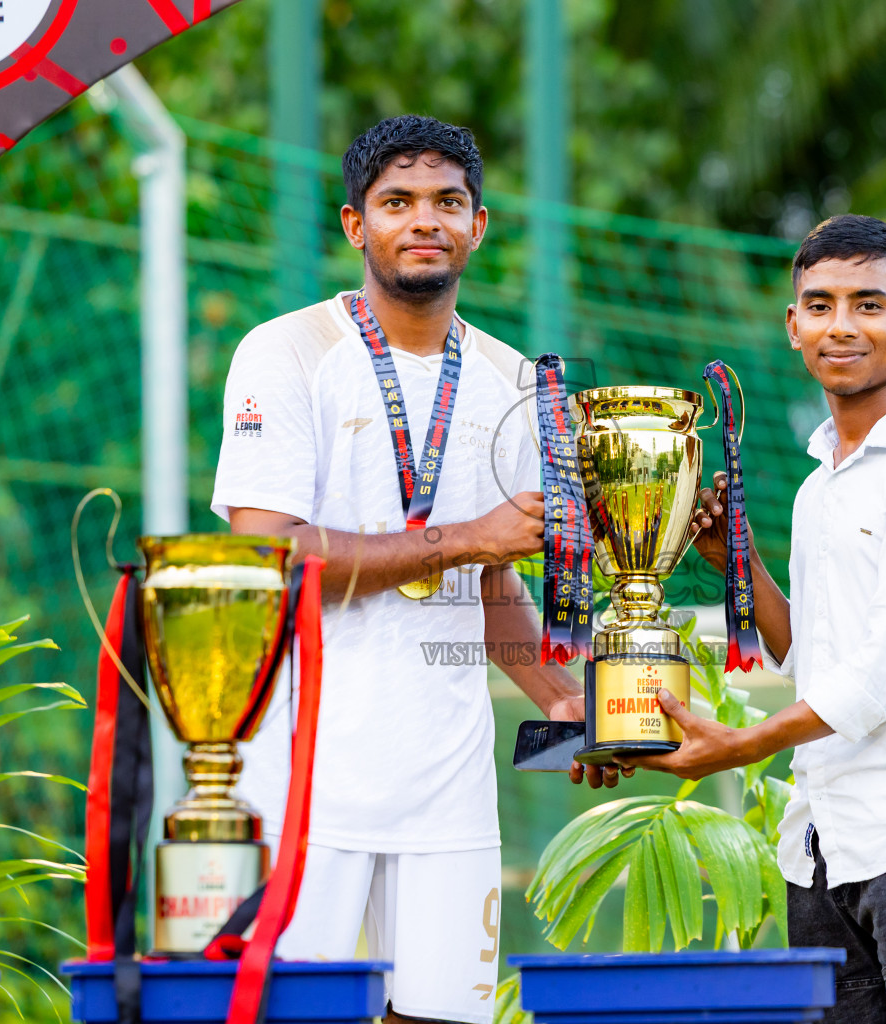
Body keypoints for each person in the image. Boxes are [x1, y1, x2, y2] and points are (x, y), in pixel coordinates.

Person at [210, 115, 620, 1024]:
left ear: (480, 225)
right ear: (357, 226)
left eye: (447, 202)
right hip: (300, 786)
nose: (423, 220)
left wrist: (564, 698)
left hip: (447, 789)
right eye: (397, 202)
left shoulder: (515, 380)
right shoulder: (286, 354)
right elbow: (266, 558)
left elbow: (497, 587)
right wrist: (470, 536)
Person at [625, 215, 886, 1024]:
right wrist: (741, 564)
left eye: (869, 305)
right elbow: (816, 656)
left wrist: (739, 748)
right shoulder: (817, 484)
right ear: (793, 324)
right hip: (825, 847)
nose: (842, 326)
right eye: (821, 304)